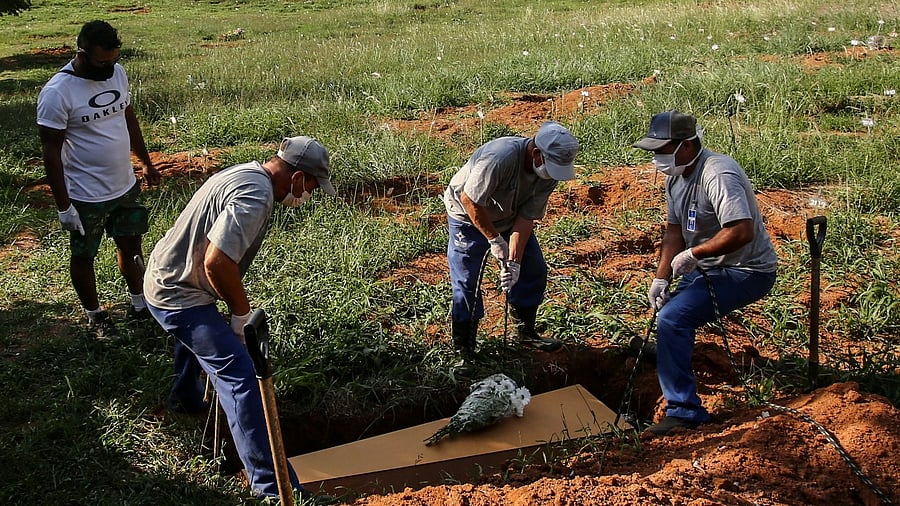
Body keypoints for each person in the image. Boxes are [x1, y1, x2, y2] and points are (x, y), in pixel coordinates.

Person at [143, 136, 336, 501]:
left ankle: (185, 400)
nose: (307, 195)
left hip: (167, 273)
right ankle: (273, 489)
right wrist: (240, 314)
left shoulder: (246, 172)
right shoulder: (255, 196)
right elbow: (217, 263)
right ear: (296, 178)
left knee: (203, 341)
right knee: (241, 375)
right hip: (179, 295)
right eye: (310, 186)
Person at [633, 110, 778, 436]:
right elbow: (674, 231)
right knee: (666, 310)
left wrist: (695, 254)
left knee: (673, 319)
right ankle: (671, 353)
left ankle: (685, 412)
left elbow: (742, 230)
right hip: (708, 267)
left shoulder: (718, 173)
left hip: (745, 270)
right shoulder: (676, 176)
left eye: (662, 150)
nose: (657, 158)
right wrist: (662, 276)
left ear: (687, 145)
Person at [37, 20, 160, 340]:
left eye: (114, 59)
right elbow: (51, 154)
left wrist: (145, 162)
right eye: (103, 61)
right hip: (85, 194)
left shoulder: (117, 73)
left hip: (125, 185)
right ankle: (95, 316)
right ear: (82, 54)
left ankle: (139, 305)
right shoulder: (57, 93)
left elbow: (128, 118)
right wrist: (64, 206)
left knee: (131, 244)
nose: (110, 68)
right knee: (84, 255)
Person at [443, 121, 580, 373]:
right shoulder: (500, 158)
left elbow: (526, 217)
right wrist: (495, 240)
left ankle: (525, 331)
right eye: (551, 167)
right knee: (467, 280)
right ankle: (464, 350)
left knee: (533, 268)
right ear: (537, 153)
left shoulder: (548, 173)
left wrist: (514, 262)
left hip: (508, 214)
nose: (552, 174)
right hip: (468, 215)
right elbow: (471, 200)